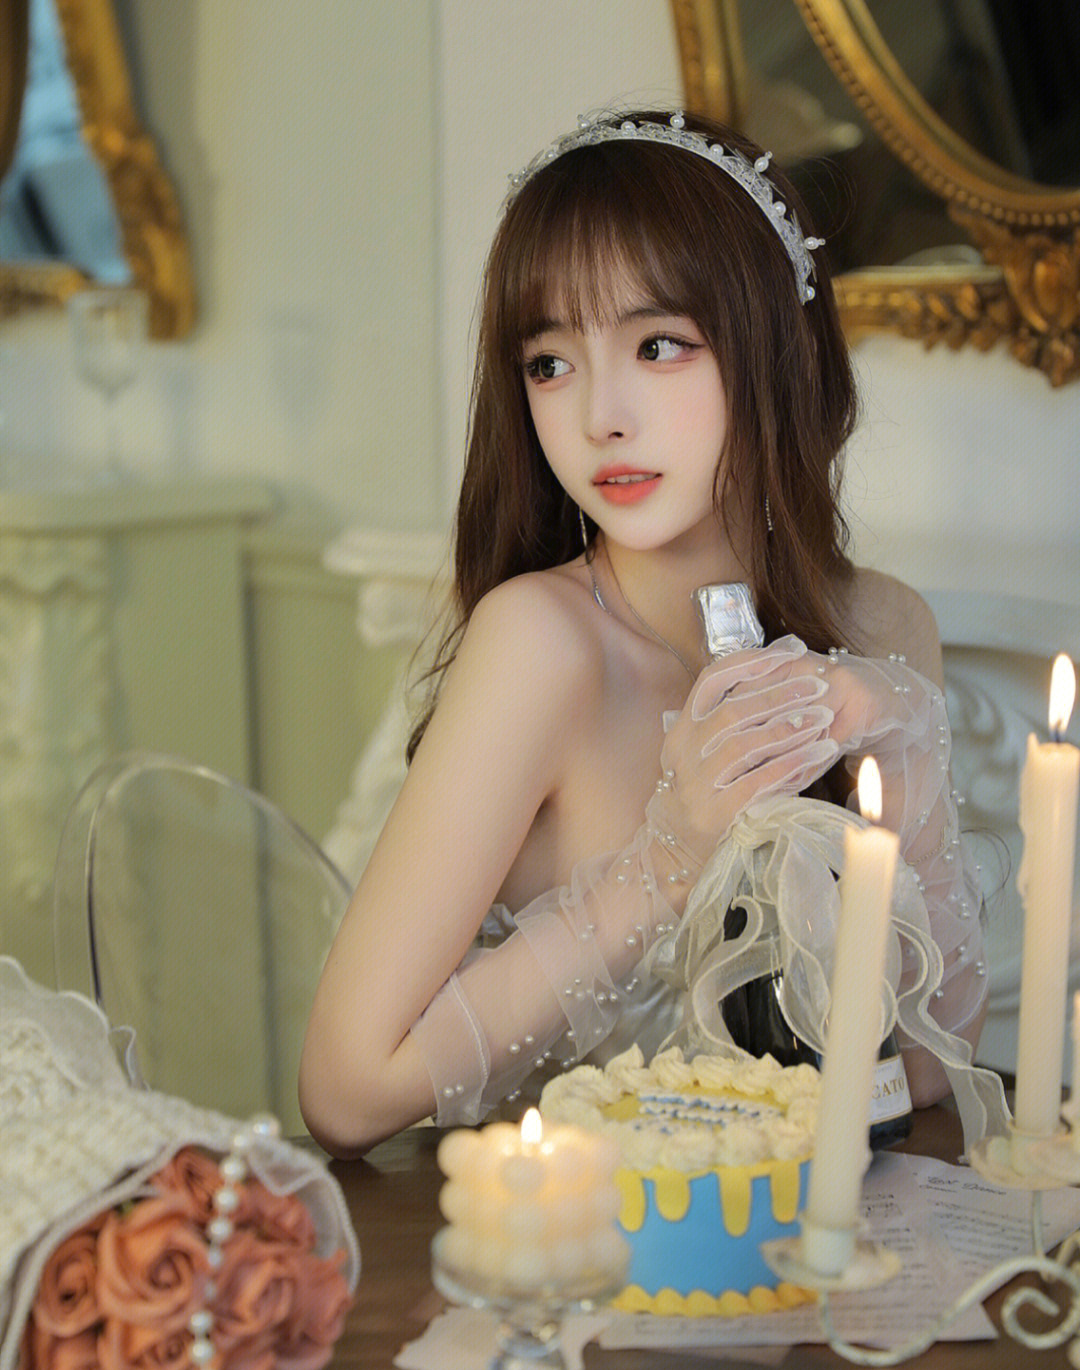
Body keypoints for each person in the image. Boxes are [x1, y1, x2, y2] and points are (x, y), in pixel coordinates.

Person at [299, 109, 992, 1158]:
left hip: (813, 1227)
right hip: (585, 1238)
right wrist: (669, 857)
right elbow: (345, 1092)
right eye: (549, 362)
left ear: (779, 348)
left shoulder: (883, 626)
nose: (599, 418)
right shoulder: (542, 644)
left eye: (658, 345)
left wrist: (903, 738)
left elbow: (930, 1071)